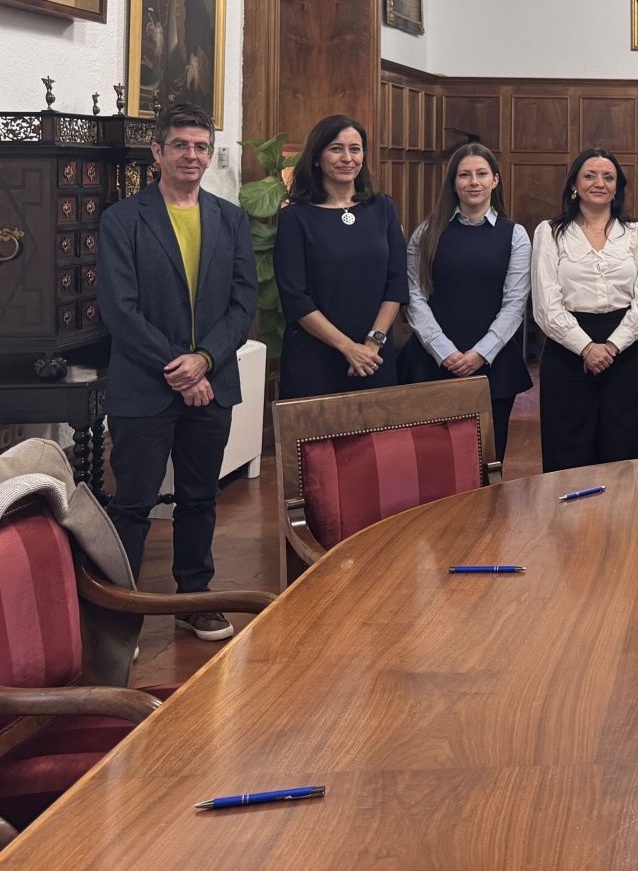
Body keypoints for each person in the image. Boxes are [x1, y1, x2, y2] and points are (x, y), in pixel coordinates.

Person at [96, 103, 255, 640]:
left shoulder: (230, 219)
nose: (192, 155)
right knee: (132, 504)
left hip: (213, 382)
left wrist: (205, 360)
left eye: (201, 146)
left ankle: (194, 598)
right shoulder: (122, 219)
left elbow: (242, 303)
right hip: (144, 386)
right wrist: (180, 367)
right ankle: (121, 618)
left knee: (200, 497)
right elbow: (120, 309)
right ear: (157, 152)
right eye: (181, 145)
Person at [531, 149, 638, 473]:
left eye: (608, 177)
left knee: (626, 451)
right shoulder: (549, 232)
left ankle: (626, 525)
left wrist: (612, 347)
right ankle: (571, 524)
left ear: (618, 187)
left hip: (627, 352)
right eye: (589, 175)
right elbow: (546, 306)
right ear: (574, 183)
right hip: (567, 352)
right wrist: (587, 348)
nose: (598, 183)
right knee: (569, 450)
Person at [404, 142, 532, 465]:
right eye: (464, 175)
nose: (473, 182)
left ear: (495, 180)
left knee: (487, 462)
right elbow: (414, 298)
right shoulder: (426, 233)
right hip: (432, 363)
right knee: (432, 464)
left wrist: (480, 354)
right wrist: (446, 352)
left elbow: (515, 303)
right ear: (453, 182)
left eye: (481, 174)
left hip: (493, 367)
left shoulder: (515, 235)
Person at [274, 115, 407, 399]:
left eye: (355, 149)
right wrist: (348, 348)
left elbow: (396, 282)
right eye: (336, 148)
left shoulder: (383, 208)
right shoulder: (294, 217)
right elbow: (295, 297)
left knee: (376, 442)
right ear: (316, 158)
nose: (347, 158)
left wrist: (372, 344)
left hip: (375, 358)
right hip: (315, 359)